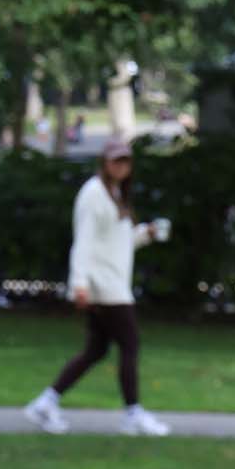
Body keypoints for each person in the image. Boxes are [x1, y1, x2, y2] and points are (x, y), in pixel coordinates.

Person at [25, 138, 171, 437]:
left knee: (96, 350)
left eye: (126, 161)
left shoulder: (114, 194)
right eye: (116, 161)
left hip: (112, 281)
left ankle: (46, 402)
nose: (121, 166)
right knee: (129, 344)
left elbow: (119, 241)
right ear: (105, 163)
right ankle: (133, 413)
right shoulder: (93, 194)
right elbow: (85, 242)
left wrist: (147, 234)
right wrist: (79, 284)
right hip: (104, 286)